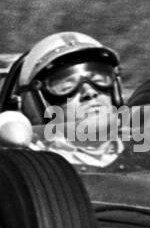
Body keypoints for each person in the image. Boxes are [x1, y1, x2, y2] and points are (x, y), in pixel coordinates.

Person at [15, 32, 125, 168]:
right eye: (67, 87)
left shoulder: (145, 149)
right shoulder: (34, 168)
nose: (90, 92)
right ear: (39, 104)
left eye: (98, 80)